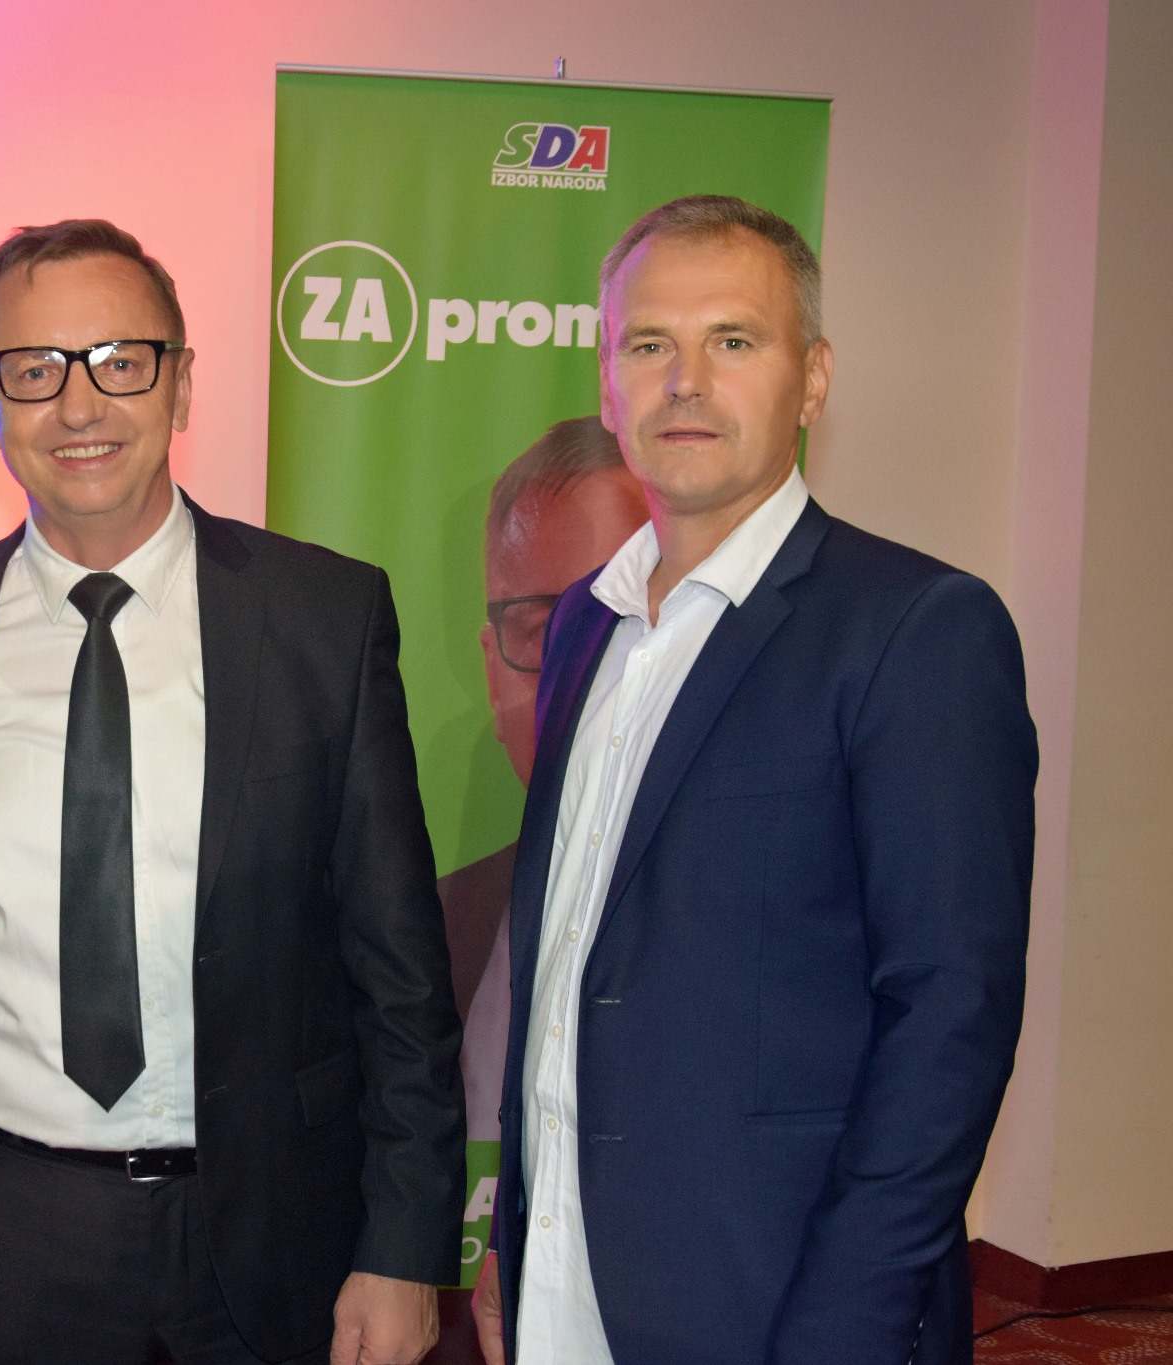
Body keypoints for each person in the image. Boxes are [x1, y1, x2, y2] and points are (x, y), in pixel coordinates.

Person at [0, 218, 464, 1365]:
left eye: (120, 362)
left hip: (272, 1224)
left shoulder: (321, 620)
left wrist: (407, 1246)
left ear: (180, 384)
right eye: (34, 369)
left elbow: (401, 977)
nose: (79, 406)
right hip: (10, 1230)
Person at [481, 195, 1037, 1365]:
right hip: (567, 1282)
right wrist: (520, 1241)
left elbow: (948, 1020)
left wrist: (845, 1331)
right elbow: (571, 960)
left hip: (779, 1302)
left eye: (731, 340)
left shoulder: (915, 631)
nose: (684, 381)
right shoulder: (581, 625)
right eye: (648, 344)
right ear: (606, 387)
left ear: (812, 380)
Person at [428, 418, 646, 1364]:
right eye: (541, 630)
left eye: (620, 613)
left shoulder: (764, 910)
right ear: (491, 667)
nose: (577, 668)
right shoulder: (432, 924)